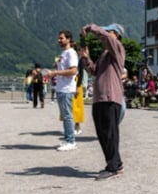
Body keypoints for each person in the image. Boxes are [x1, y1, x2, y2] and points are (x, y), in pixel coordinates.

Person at [80, 22, 126, 180]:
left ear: (116, 35)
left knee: (110, 134)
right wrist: (87, 59)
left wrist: (93, 27)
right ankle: (116, 164)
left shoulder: (117, 47)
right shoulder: (105, 54)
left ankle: (112, 167)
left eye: (109, 31)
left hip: (110, 97)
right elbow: (94, 71)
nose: (105, 34)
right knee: (103, 133)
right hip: (100, 98)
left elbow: (106, 38)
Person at [50, 30, 78, 151]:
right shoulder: (63, 53)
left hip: (67, 89)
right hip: (61, 88)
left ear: (68, 39)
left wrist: (56, 72)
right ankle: (67, 139)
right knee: (65, 115)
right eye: (59, 38)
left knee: (67, 116)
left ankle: (70, 141)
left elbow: (73, 71)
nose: (59, 40)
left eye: (61, 38)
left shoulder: (71, 53)